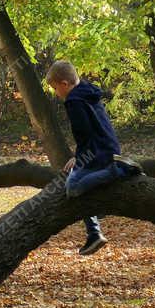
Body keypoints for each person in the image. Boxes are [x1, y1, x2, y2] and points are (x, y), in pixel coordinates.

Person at [45, 60, 143, 256]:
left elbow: (85, 134)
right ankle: (94, 232)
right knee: (84, 188)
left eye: (56, 88)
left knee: (72, 188)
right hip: (109, 147)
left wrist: (78, 158)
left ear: (64, 84)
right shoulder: (88, 91)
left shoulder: (74, 102)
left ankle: (119, 171)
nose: (57, 94)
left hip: (97, 153)